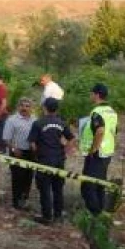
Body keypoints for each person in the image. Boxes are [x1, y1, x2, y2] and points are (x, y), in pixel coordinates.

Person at [29, 97, 75, 225]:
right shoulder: (62, 123)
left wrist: (37, 154)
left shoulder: (38, 123)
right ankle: (58, 215)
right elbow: (71, 138)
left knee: (44, 189)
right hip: (59, 160)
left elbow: (32, 143)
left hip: (44, 160)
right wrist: (65, 150)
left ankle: (47, 216)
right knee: (58, 189)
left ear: (44, 108)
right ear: (56, 109)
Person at [79, 83, 118, 215]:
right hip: (107, 152)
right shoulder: (112, 111)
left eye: (91, 93)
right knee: (99, 185)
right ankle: (101, 211)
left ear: (96, 95)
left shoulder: (97, 112)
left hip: (97, 153)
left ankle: (96, 215)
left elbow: (100, 131)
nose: (90, 95)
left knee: (87, 186)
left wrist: (92, 150)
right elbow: (113, 131)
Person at [2, 98, 36, 210]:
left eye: (27, 106)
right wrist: (13, 149)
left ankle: (24, 199)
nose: (24, 108)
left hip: (31, 153)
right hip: (17, 152)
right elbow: (6, 138)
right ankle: (16, 202)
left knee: (28, 177)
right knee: (17, 177)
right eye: (22, 106)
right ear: (18, 107)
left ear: (31, 108)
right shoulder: (12, 120)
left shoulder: (35, 120)